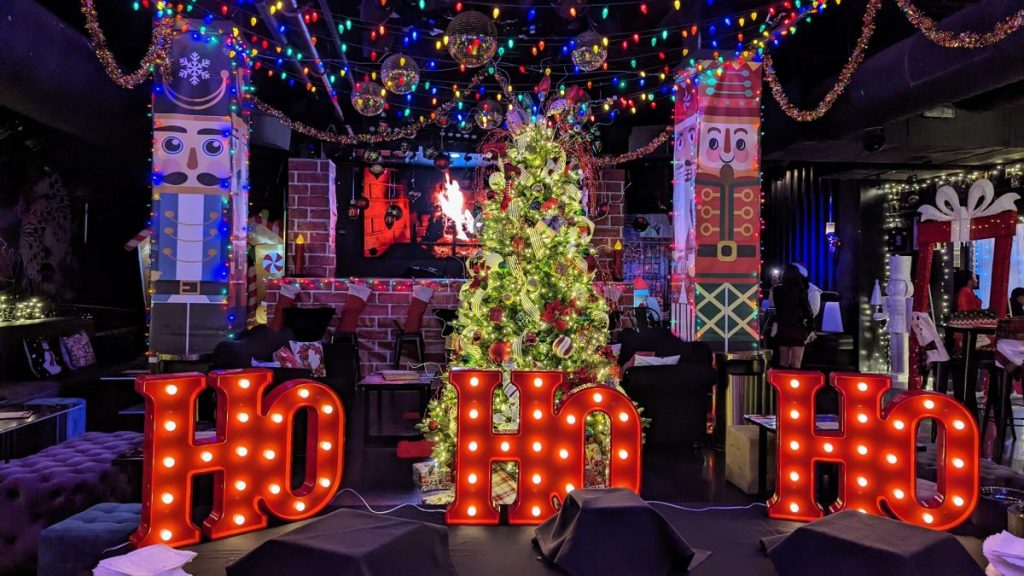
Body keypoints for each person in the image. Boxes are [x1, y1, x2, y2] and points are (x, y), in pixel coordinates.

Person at [771, 264, 814, 368]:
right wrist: (812, 328)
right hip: (797, 329)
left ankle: (781, 383)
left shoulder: (777, 291)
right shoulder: (801, 290)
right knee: (796, 363)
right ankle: (795, 382)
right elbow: (807, 311)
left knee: (783, 362)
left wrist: (774, 286)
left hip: (783, 328)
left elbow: (776, 307)